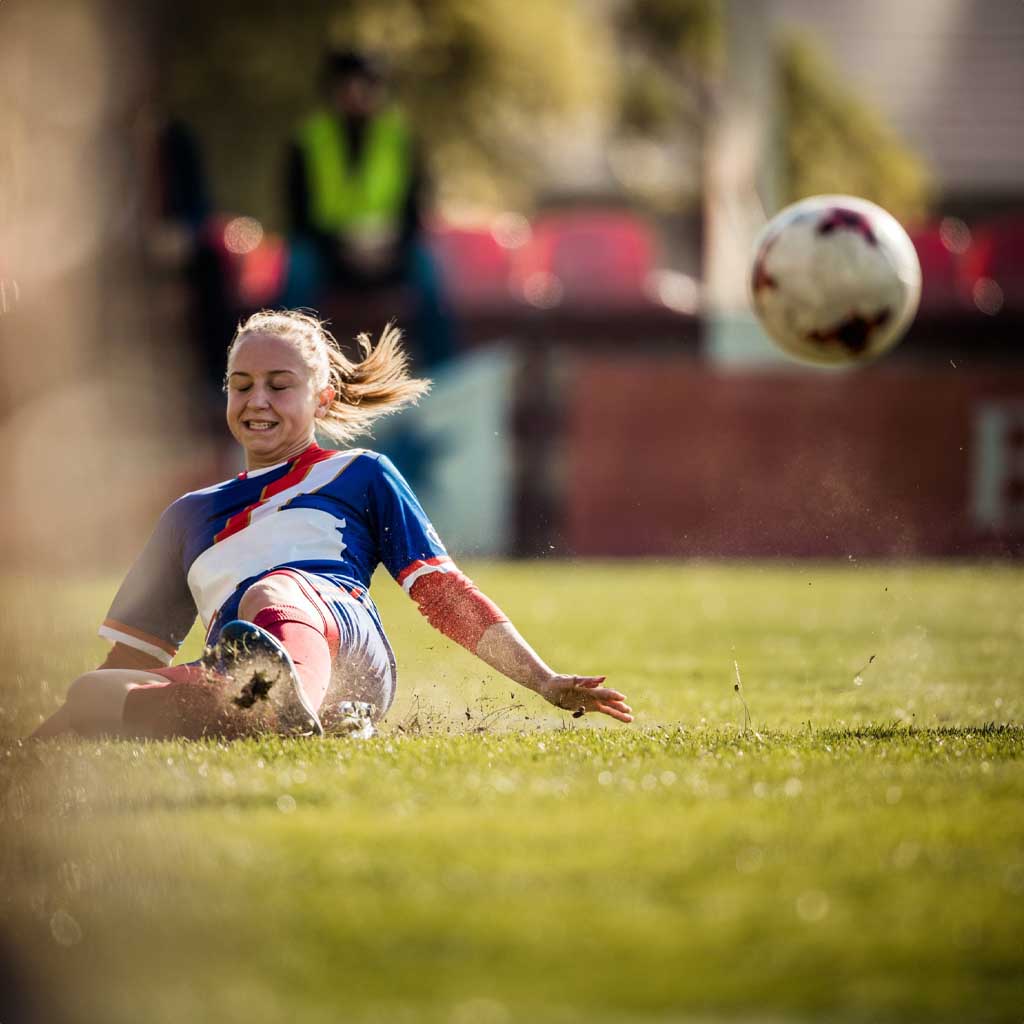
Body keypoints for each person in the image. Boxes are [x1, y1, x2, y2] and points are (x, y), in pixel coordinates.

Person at [31, 310, 632, 741]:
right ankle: (254, 710)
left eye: (279, 385)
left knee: (271, 590)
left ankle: (290, 706)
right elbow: (126, 664)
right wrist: (33, 749)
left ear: (321, 398)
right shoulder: (186, 515)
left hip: (352, 658)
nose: (256, 400)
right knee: (91, 693)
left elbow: (442, 592)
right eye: (241, 386)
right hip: (238, 670)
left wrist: (545, 681)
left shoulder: (359, 473)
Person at [282, 49, 455, 369]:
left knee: (429, 274)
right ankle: (290, 364)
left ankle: (444, 371)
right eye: (348, 85)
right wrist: (342, 246)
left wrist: (388, 245)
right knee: (297, 270)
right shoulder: (308, 141)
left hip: (390, 250)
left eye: (367, 86)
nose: (357, 95)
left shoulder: (400, 140)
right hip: (327, 250)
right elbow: (298, 214)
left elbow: (415, 209)